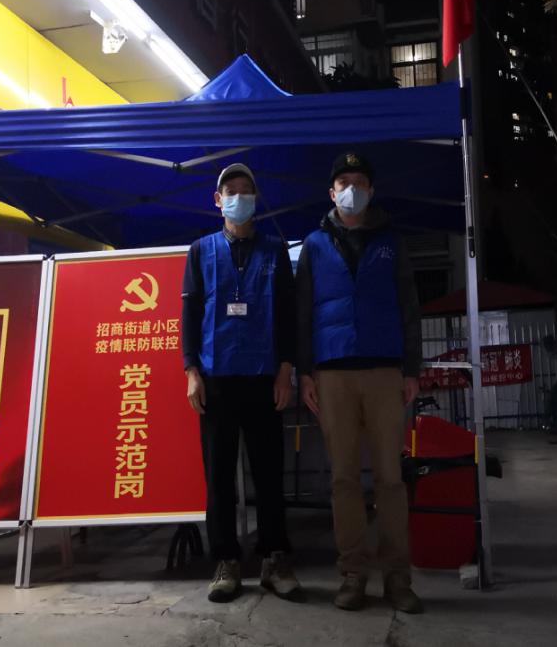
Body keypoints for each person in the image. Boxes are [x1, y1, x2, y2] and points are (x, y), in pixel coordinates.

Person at [296, 151, 424, 613]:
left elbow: (409, 305)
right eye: (344, 182)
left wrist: (411, 369)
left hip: (385, 371)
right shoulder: (313, 245)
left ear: (371, 190)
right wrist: (305, 371)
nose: (352, 189)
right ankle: (352, 574)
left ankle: (398, 578)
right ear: (331, 193)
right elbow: (302, 311)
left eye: (360, 182)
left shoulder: (391, 241)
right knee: (344, 479)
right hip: (332, 373)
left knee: (390, 478)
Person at [181, 163, 302, 603]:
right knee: (219, 478)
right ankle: (226, 561)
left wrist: (286, 369)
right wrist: (191, 371)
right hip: (215, 380)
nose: (238, 198)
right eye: (230, 191)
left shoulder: (274, 251)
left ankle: (274, 559)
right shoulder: (200, 250)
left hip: (264, 378)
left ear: (256, 198)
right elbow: (189, 314)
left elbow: (287, 314)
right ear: (218, 201)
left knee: (269, 474)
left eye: (245, 191)